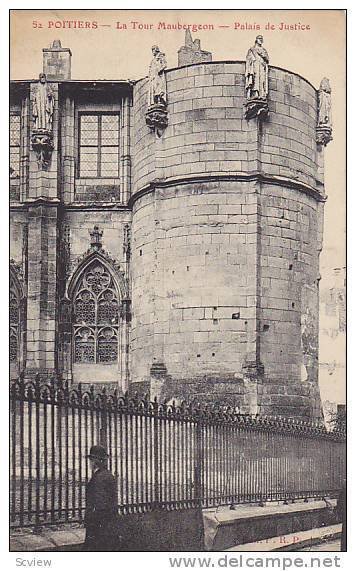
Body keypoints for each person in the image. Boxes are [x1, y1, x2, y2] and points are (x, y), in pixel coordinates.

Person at [83, 444, 119, 551]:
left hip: (98, 524)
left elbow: (100, 504)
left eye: (91, 460)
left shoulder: (99, 478)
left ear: (95, 461)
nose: (90, 463)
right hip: (107, 523)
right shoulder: (107, 475)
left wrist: (91, 520)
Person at [245, 35, 269, 100]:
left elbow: (267, 59)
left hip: (262, 67)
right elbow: (248, 58)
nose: (261, 40)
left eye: (262, 39)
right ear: (256, 40)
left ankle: (262, 95)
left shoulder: (264, 50)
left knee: (262, 80)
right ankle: (255, 94)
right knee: (255, 79)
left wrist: (263, 56)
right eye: (259, 39)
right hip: (255, 66)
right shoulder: (252, 49)